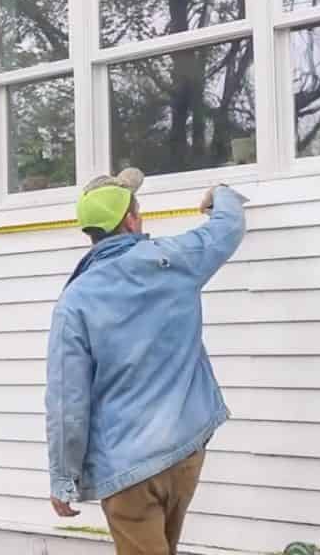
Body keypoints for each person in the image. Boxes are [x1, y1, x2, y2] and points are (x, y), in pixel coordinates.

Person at [46, 168, 247, 555]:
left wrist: (63, 478)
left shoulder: (75, 303)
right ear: (131, 220)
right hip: (184, 452)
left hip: (128, 472)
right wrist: (222, 194)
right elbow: (227, 228)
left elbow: (67, 403)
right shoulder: (175, 260)